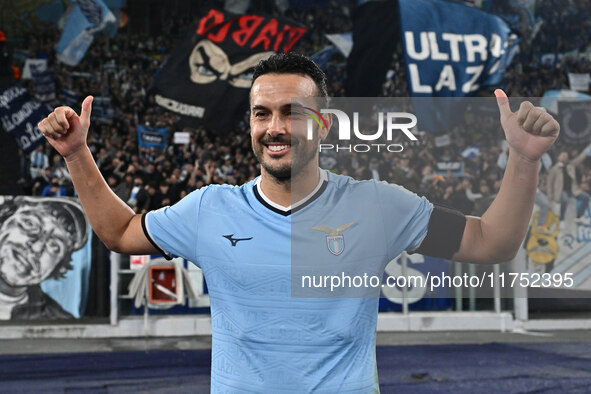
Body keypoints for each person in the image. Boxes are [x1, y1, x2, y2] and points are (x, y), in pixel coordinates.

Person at [38, 53, 559, 392]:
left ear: (324, 125)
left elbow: (493, 242)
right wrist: (77, 153)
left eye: (292, 111)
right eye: (262, 114)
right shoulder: (208, 209)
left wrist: (525, 159)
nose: (275, 127)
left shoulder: (378, 206)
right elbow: (119, 232)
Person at [0, 196, 88, 320]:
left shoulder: (58, 323)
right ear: (3, 219)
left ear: (59, 267)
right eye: (30, 224)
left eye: (54, 246)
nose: (36, 248)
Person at [547, 145, 591, 226]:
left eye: (566, 156)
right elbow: (550, 182)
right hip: (562, 190)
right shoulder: (554, 169)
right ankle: (562, 220)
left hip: (573, 190)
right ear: (559, 157)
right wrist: (550, 194)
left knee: (586, 197)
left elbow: (581, 157)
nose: (565, 157)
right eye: (563, 155)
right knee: (565, 199)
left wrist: (588, 148)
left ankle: (579, 217)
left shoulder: (571, 165)